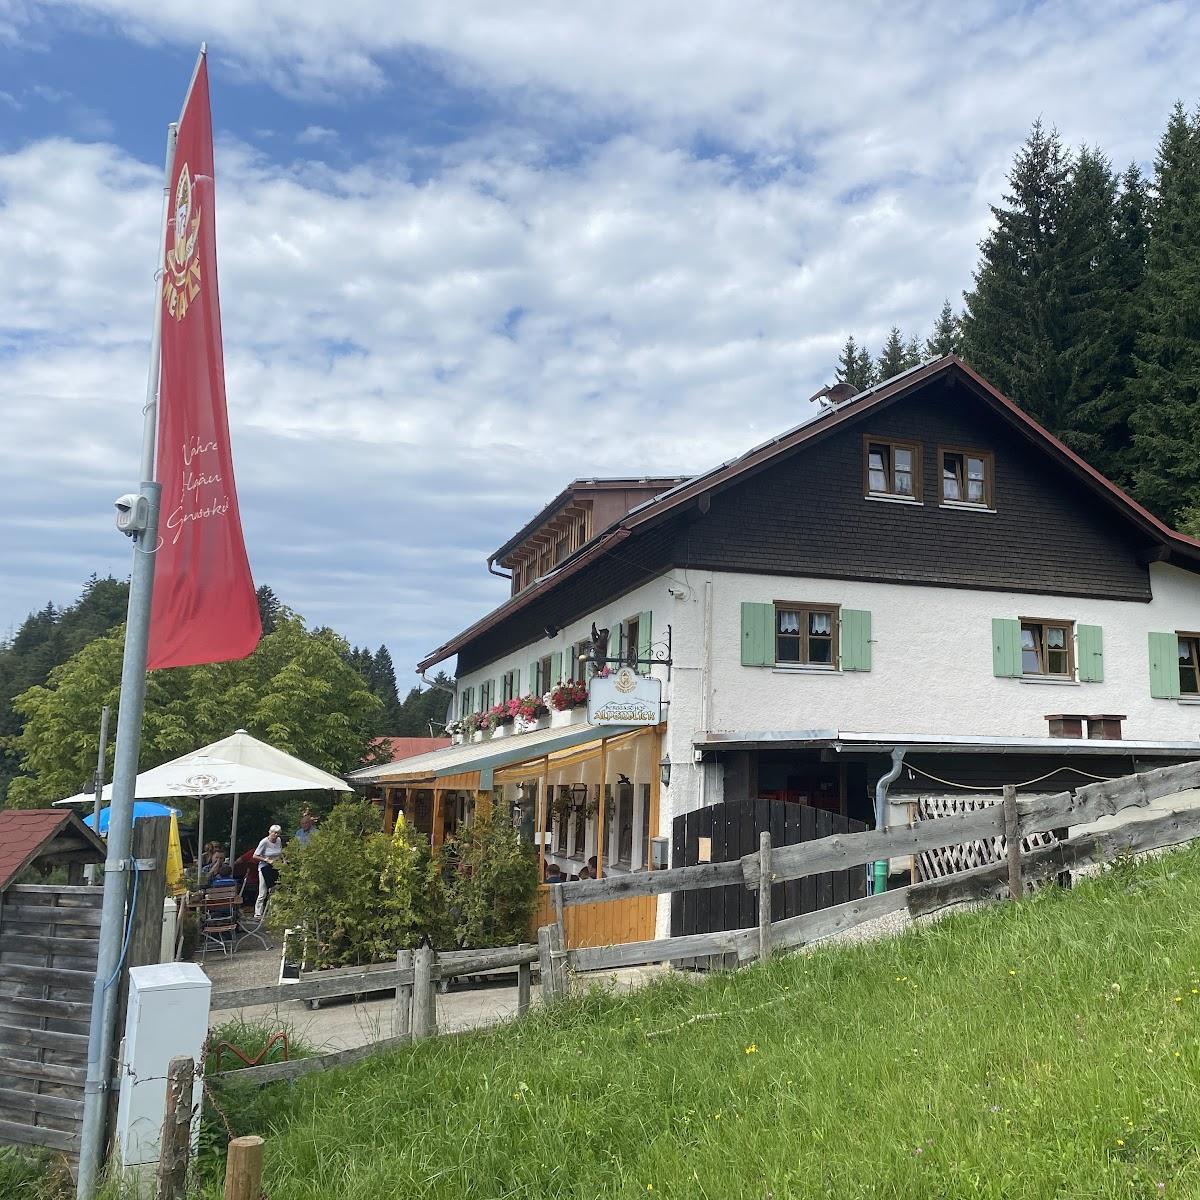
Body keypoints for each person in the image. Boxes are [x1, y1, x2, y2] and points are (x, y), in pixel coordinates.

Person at [253, 824, 284, 918]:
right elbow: (255, 856)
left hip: (275, 867)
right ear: (270, 832)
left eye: (278, 833)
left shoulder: (278, 841)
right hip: (264, 867)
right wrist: (266, 859)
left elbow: (280, 852)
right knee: (263, 891)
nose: (276, 835)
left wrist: (283, 860)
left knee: (274, 890)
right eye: (274, 833)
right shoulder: (264, 842)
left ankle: (273, 912)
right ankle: (258, 913)